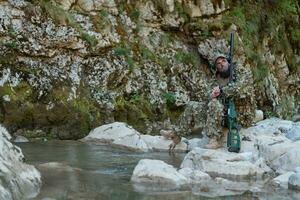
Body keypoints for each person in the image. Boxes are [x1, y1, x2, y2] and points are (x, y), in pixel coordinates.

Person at [204, 54, 256, 149]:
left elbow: (241, 88)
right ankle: (175, 133)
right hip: (223, 110)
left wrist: (221, 90)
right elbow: (207, 92)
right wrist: (211, 94)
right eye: (218, 63)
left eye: (223, 61)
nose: (221, 64)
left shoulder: (240, 71)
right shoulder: (216, 77)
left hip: (239, 113)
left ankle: (215, 139)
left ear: (228, 61)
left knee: (214, 104)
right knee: (194, 106)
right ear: (216, 67)